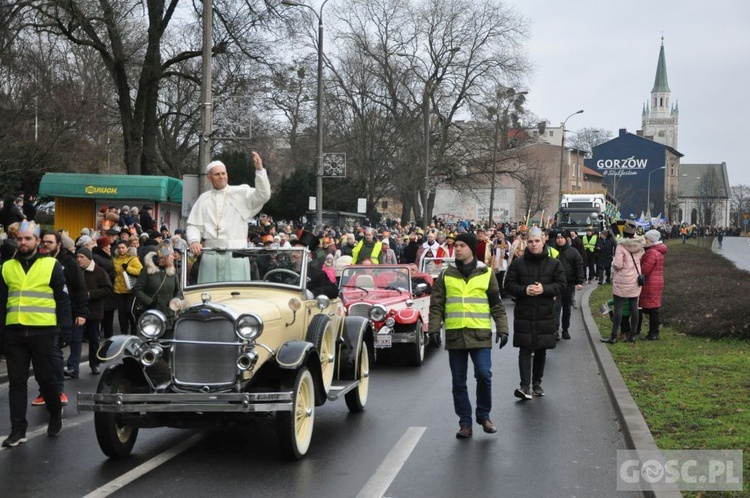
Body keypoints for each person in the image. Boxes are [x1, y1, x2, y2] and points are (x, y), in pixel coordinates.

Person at [427, 232, 509, 439]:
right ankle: (465, 422)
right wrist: (434, 329)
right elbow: (436, 306)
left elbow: (496, 305)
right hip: (455, 335)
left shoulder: (485, 272)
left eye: (462, 245)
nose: (458, 249)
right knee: (459, 382)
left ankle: (483, 415)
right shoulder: (446, 274)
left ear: (472, 248)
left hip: (480, 334)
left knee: (484, 375)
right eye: (456, 246)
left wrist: (503, 328)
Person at [0, 221, 71, 446]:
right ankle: (18, 430)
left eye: (28, 238)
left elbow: (62, 299)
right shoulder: (6, 267)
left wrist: (65, 328)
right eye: (20, 239)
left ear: (37, 241)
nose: (23, 242)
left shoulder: (51, 265)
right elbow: (1, 303)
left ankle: (55, 412)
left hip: (43, 331)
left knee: (45, 378)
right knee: (17, 382)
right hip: (14, 332)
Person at [186, 152, 271, 281]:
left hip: (236, 255)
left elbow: (263, 195)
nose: (221, 177)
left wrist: (259, 170)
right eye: (217, 174)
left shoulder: (241, 193)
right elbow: (194, 226)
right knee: (209, 294)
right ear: (209, 178)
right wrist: (194, 241)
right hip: (210, 255)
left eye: (223, 173)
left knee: (236, 295)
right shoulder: (203, 199)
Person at [505, 227, 566, 399]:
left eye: (537, 241)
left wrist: (544, 289)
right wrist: (524, 290)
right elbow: (509, 285)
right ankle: (524, 386)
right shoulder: (518, 263)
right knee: (524, 349)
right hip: (524, 312)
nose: (533, 244)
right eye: (530, 241)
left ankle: (537, 382)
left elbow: (561, 284)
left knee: (540, 349)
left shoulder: (554, 263)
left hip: (545, 312)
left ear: (543, 241)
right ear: (526, 243)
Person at [32, 231, 88, 408]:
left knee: (55, 353)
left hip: (61, 314)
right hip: (40, 315)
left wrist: (81, 313)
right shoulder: (38, 261)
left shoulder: (69, 263)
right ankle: (44, 391)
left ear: (58, 244)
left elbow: (80, 289)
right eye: (44, 242)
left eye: (50, 242)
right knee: (40, 355)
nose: (46, 245)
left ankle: (58, 390)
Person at [601, 220, 645, 344]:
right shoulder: (639, 244)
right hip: (635, 279)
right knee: (634, 307)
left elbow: (618, 265)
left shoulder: (621, 246)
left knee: (618, 308)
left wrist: (614, 262)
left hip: (622, 280)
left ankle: (614, 336)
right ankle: (632, 335)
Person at [69, 247, 111, 376]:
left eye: (81, 257)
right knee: (75, 339)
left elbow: (108, 289)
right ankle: (73, 367)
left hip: (94, 311)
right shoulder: (75, 272)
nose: (78, 259)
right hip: (77, 312)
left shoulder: (99, 272)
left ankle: (94, 364)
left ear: (89, 258)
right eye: (77, 257)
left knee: (94, 340)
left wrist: (90, 294)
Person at [133, 241, 181, 331]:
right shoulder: (147, 270)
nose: (173, 257)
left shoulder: (172, 271)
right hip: (152, 316)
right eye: (171, 255)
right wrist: (149, 301)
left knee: (169, 342)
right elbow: (137, 290)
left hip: (169, 315)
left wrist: (176, 302)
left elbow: (177, 290)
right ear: (164, 257)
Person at [553, 230, 584, 340]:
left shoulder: (573, 252)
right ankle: (555, 330)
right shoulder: (552, 251)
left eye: (562, 238)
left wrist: (579, 281)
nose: (559, 240)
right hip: (555, 284)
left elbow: (579, 266)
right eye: (558, 238)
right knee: (555, 308)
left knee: (566, 308)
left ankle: (565, 329)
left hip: (568, 284)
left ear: (566, 239)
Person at [636, 229, 667, 340]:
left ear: (652, 239)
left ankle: (653, 333)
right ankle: (654, 332)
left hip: (651, 282)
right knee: (654, 307)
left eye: (647, 238)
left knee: (653, 308)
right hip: (656, 281)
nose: (645, 240)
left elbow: (645, 270)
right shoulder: (657, 251)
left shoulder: (651, 252)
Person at [113, 239, 143, 335]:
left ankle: (134, 329)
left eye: (123, 248)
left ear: (127, 248)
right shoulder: (115, 259)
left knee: (129, 311)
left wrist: (128, 268)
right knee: (121, 314)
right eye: (119, 248)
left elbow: (141, 271)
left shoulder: (133, 259)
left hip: (130, 289)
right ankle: (124, 333)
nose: (121, 250)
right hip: (118, 290)